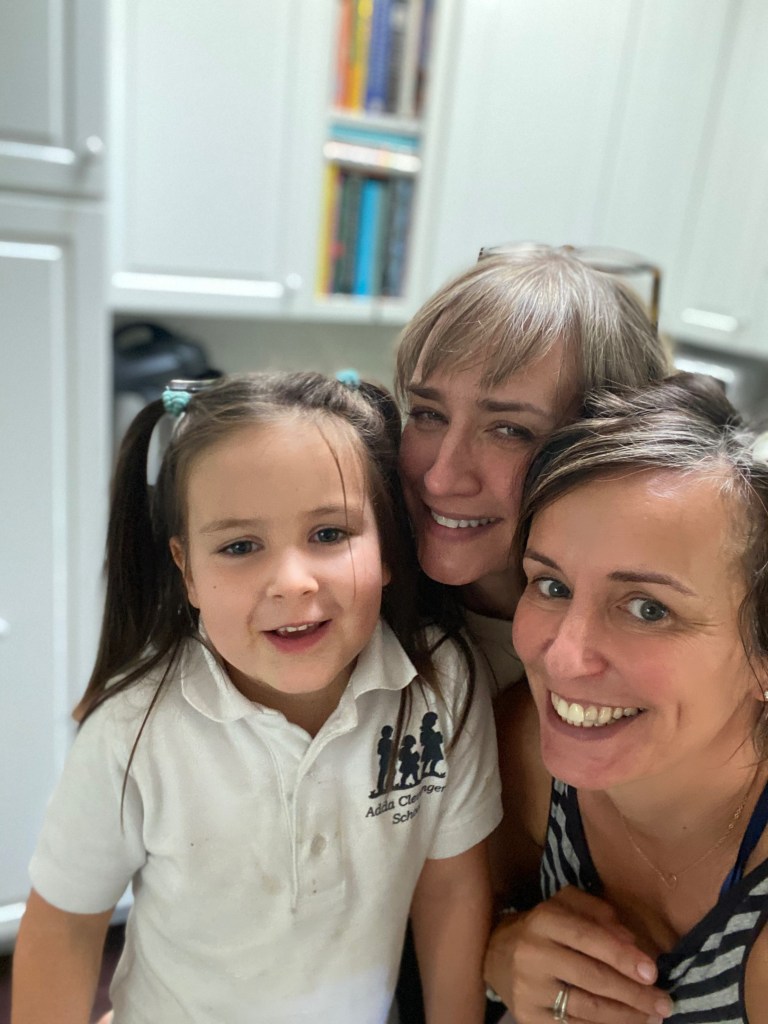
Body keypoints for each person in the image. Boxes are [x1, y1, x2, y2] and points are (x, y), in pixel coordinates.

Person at [11, 371, 502, 1024]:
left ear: (387, 546)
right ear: (187, 571)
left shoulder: (441, 683)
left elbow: (450, 891)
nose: (292, 582)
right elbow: (65, 927)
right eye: (240, 546)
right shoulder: (132, 731)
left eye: (329, 534)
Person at [392, 244, 672, 1019]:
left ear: (605, 450)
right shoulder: (351, 613)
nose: (443, 475)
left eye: (509, 430)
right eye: (427, 414)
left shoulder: (654, 658)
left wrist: (499, 943)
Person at [485, 373, 768, 1023]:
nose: (563, 659)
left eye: (647, 608)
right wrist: (501, 950)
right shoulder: (525, 747)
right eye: (551, 586)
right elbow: (465, 909)